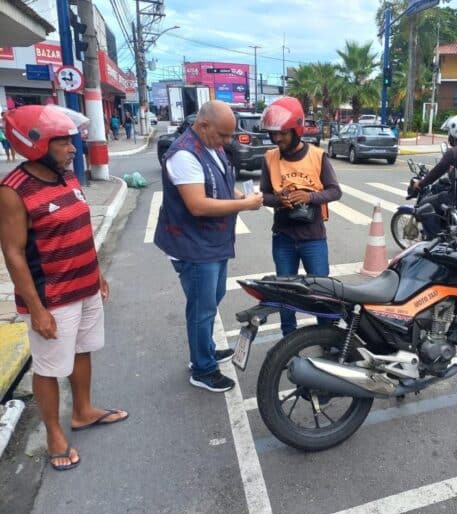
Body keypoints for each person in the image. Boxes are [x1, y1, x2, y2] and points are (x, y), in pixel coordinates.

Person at [0, 105, 128, 472]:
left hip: (85, 286)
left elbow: (82, 230)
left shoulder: (68, 177)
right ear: (35, 143)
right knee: (49, 366)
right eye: (63, 142)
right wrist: (36, 308)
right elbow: (12, 253)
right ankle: (55, 432)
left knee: (84, 350)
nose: (73, 148)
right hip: (51, 297)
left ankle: (84, 411)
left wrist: (97, 273)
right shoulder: (13, 191)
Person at [154, 100, 263, 392]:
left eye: (229, 136)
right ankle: (202, 368)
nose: (227, 142)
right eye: (223, 135)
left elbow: (222, 184)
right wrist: (243, 204)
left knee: (210, 300)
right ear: (203, 126)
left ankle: (205, 350)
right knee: (202, 309)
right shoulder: (183, 155)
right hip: (194, 246)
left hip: (212, 243)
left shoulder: (211, 147)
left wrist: (242, 194)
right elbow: (198, 205)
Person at [259, 96, 342, 336]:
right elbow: (264, 194)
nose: (277, 139)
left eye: (283, 133)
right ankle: (288, 340)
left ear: (297, 130)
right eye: (273, 133)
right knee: (285, 292)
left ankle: (327, 338)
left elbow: (335, 191)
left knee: (321, 292)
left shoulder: (318, 156)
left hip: (313, 238)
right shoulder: (269, 158)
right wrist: (279, 200)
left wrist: (308, 197)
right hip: (283, 237)